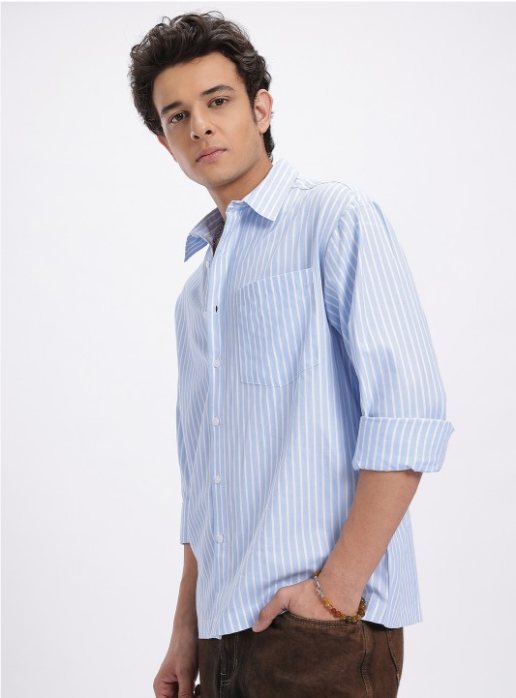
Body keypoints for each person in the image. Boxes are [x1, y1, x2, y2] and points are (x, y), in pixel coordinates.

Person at [128, 11, 454, 698]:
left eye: (217, 101)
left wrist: (333, 595)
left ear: (261, 108)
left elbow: (409, 415)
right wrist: (186, 630)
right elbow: (205, 482)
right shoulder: (195, 296)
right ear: (164, 142)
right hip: (222, 640)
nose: (200, 127)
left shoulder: (334, 219)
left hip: (318, 633)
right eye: (178, 116)